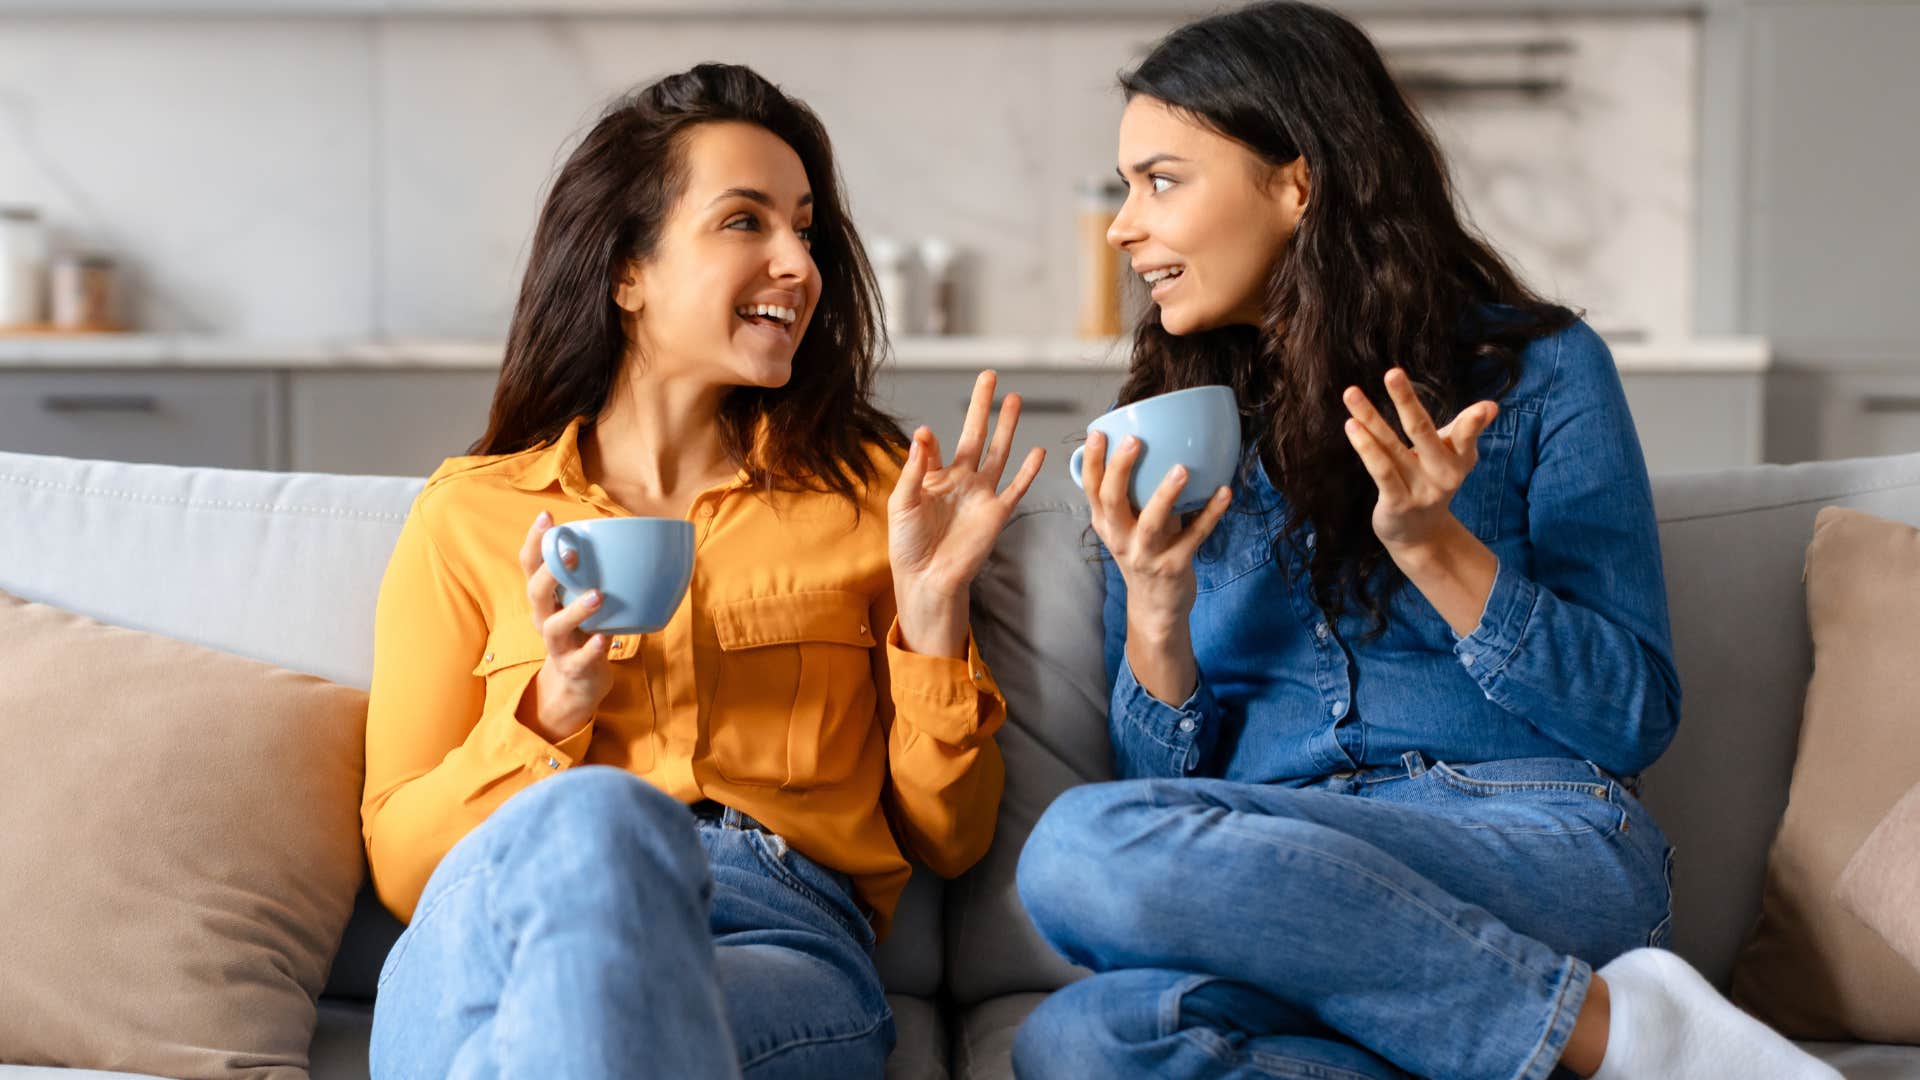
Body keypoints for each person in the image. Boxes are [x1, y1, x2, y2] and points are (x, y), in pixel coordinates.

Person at [1012, 5, 1839, 1078]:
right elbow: (1163, 795)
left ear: (1294, 184)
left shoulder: (1539, 371)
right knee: (1085, 1039)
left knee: (1080, 849)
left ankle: (1609, 1032)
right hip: (1289, 884)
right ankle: (1590, 1038)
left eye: (1160, 180)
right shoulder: (1175, 421)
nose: (1125, 226)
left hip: (1531, 843)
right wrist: (1156, 606)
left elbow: (1630, 719)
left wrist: (1436, 550)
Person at [360, 63, 1043, 1080]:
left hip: (770, 934)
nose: (798, 264)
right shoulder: (469, 513)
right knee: (595, 821)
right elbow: (405, 866)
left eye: (805, 231)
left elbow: (951, 837)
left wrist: (934, 608)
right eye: (746, 223)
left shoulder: (871, 494)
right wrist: (550, 711)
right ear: (627, 272)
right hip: (494, 922)